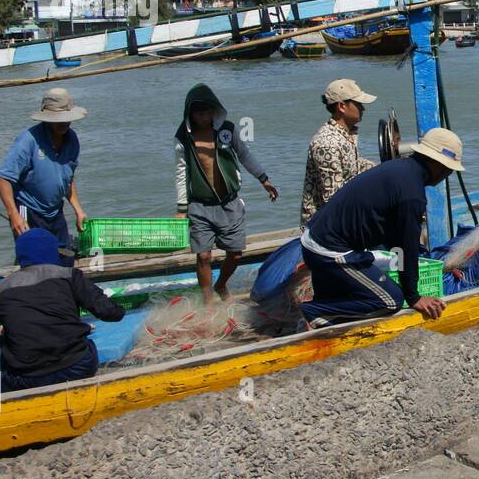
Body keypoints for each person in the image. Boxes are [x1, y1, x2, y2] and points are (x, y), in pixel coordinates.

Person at [300, 128, 462, 327]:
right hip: (329, 251)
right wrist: (413, 296)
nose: (448, 174)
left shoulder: (399, 168)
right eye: (449, 169)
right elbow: (405, 246)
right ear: (438, 165)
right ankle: (311, 313)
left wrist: (413, 257)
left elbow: (394, 236)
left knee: (344, 299)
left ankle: (322, 317)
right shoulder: (412, 194)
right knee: (389, 300)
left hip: (315, 238)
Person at [0, 228, 124, 391]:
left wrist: (1, 330)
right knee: (84, 342)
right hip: (79, 368)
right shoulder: (70, 276)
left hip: (26, 379)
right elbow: (112, 313)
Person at [174, 83, 278, 303]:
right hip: (199, 205)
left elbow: (245, 155)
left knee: (236, 253)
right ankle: (208, 300)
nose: (205, 116)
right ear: (190, 114)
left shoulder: (227, 130)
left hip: (230, 203)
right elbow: (181, 172)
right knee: (203, 255)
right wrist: (181, 209)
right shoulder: (183, 136)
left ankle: (220, 284)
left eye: (208, 111)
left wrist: (264, 179)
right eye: (199, 112)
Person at [0, 87, 88, 266]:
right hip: (29, 210)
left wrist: (78, 210)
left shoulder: (72, 139)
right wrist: (14, 214)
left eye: (67, 119)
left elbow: (67, 178)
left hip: (55, 211)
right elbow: (3, 178)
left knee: (66, 259)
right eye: (59, 120)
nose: (64, 123)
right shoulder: (28, 140)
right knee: (37, 264)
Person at [300, 78, 377, 226]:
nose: (363, 108)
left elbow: (350, 165)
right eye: (358, 104)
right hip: (325, 228)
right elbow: (334, 198)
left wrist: (377, 169)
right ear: (342, 106)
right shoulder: (327, 143)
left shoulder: (344, 135)